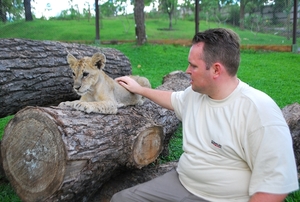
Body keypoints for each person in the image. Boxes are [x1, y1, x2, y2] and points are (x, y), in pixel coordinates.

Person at [111, 28, 299, 202]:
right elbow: (173, 99)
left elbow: (274, 187)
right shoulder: (195, 94)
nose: (187, 71)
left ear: (216, 69)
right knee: (122, 200)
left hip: (223, 198)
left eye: (193, 66)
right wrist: (140, 90)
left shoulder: (259, 111)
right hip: (181, 183)